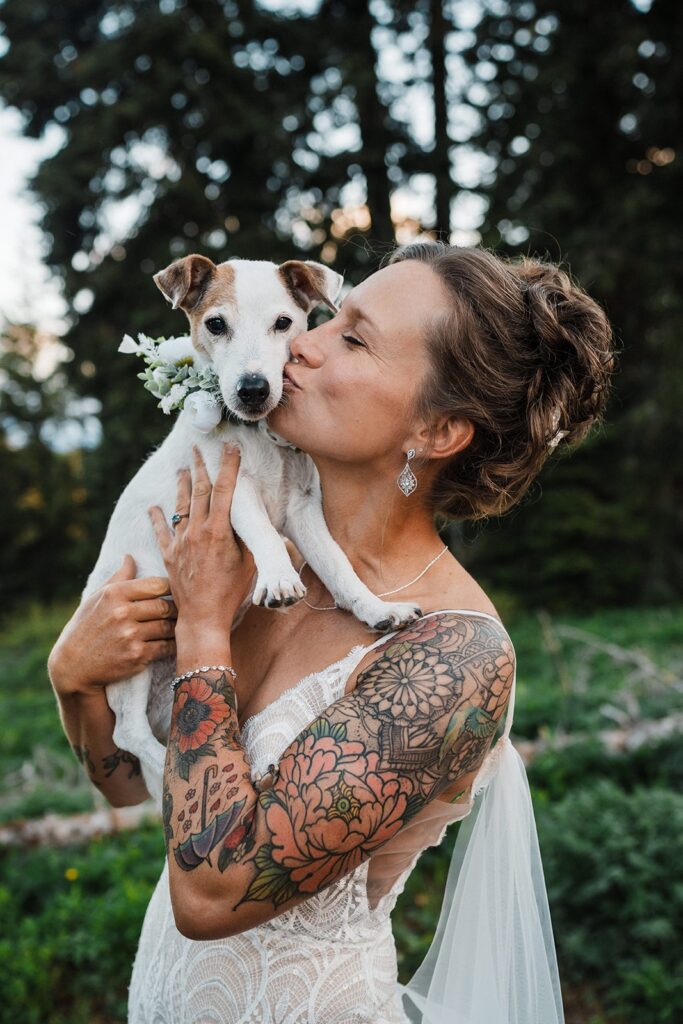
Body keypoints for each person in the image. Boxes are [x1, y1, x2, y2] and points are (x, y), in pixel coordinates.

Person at [48, 241, 615, 1023]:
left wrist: (205, 632)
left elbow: (212, 893)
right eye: (325, 318)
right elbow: (124, 786)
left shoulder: (454, 656)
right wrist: (74, 677)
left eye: (349, 337)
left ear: (438, 429)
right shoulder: (265, 565)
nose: (298, 343)